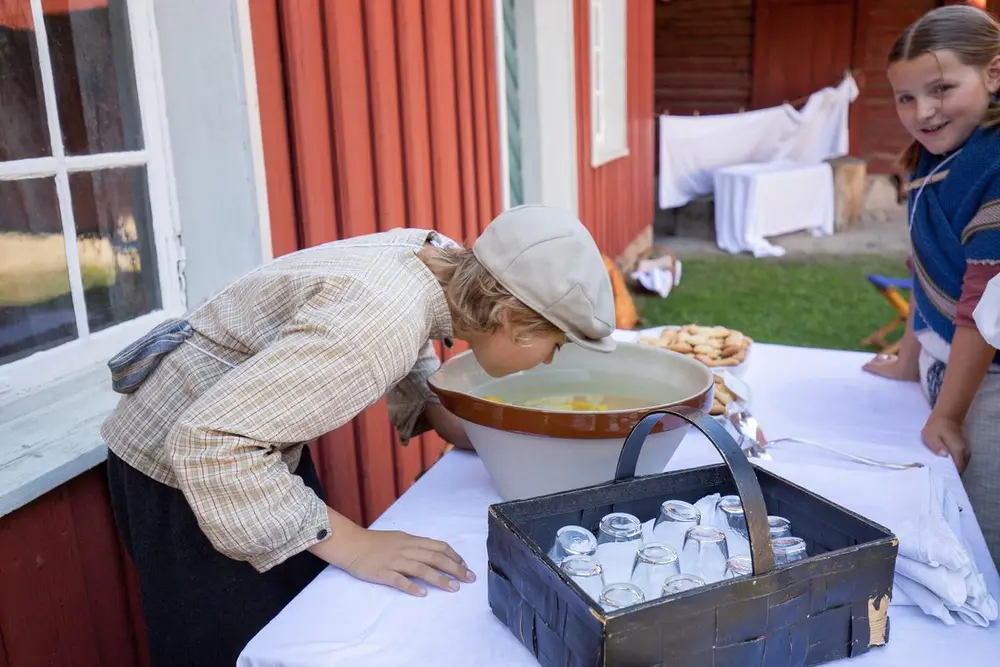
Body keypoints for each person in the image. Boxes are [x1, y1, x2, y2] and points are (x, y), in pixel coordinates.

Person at [100, 204, 616, 667]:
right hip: (188, 472)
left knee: (300, 619)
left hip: (252, 443)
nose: (551, 361)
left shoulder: (434, 263)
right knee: (234, 647)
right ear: (511, 322)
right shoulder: (379, 320)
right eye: (554, 346)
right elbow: (209, 441)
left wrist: (450, 416)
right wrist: (357, 545)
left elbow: (402, 343)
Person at [862, 5, 1000, 565]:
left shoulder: (992, 168)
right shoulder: (934, 156)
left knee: (981, 535)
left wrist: (948, 412)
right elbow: (923, 264)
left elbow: (983, 311)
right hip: (943, 372)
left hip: (986, 388)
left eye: (941, 88)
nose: (923, 111)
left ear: (993, 73)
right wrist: (908, 356)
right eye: (906, 97)